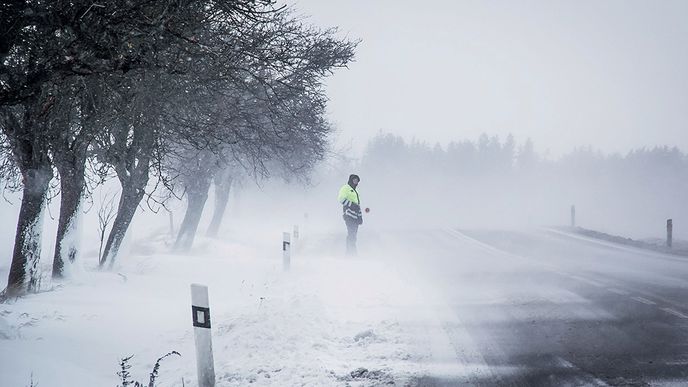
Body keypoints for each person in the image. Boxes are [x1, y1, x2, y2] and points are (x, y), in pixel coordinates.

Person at [338, 174, 362, 255]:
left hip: (355, 216)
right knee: (351, 234)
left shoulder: (356, 191)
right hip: (348, 215)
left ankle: (350, 252)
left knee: (354, 235)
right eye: (355, 180)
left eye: (357, 181)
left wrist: (360, 217)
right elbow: (341, 199)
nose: (356, 182)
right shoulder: (346, 188)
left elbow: (358, 206)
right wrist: (351, 204)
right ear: (351, 180)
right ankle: (351, 252)